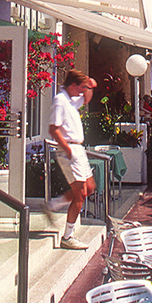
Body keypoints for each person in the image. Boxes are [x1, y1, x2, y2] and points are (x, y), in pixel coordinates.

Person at [46, 71, 97, 250]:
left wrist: (89, 85)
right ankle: (67, 237)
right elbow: (54, 128)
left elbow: (87, 99)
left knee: (89, 188)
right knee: (80, 194)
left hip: (78, 149)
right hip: (70, 149)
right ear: (73, 85)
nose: (83, 92)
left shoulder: (71, 99)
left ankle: (54, 204)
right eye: (81, 88)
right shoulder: (60, 100)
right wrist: (67, 149)